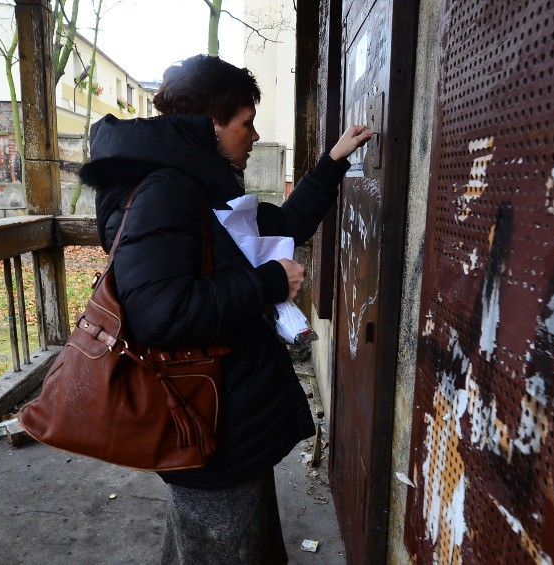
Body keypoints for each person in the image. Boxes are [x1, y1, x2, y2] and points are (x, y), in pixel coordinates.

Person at [79, 54, 373, 564]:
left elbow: (280, 227)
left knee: (217, 541)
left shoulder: (197, 184)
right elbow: (159, 313)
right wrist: (267, 283)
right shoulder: (167, 190)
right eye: (245, 123)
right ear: (210, 125)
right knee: (223, 546)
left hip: (226, 413)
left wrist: (333, 161)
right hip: (205, 417)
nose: (254, 135)